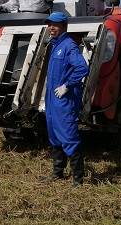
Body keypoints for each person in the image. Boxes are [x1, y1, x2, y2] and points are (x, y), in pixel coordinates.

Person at [43, 11, 90, 186]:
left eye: (54, 25)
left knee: (69, 136)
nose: (51, 28)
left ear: (63, 27)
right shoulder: (55, 45)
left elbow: (82, 68)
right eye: (49, 25)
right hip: (52, 100)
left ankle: (78, 179)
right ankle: (58, 173)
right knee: (54, 135)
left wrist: (67, 85)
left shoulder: (69, 45)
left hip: (65, 100)